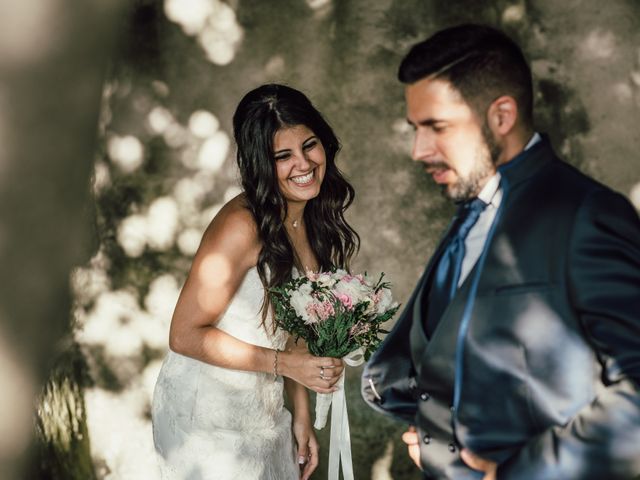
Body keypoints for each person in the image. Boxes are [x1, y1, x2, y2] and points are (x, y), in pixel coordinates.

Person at [361, 24, 640, 480]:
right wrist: (433, 441)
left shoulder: (587, 214)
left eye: (437, 127)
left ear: (501, 116)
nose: (418, 150)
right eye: (415, 128)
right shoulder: (469, 212)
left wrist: (517, 472)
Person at [152, 83, 359, 480]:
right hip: (208, 416)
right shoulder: (241, 226)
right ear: (261, 163)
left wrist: (300, 415)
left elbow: (295, 324)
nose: (303, 164)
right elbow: (183, 335)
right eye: (283, 156)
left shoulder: (310, 216)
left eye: (309, 146)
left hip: (266, 408)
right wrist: (288, 366)